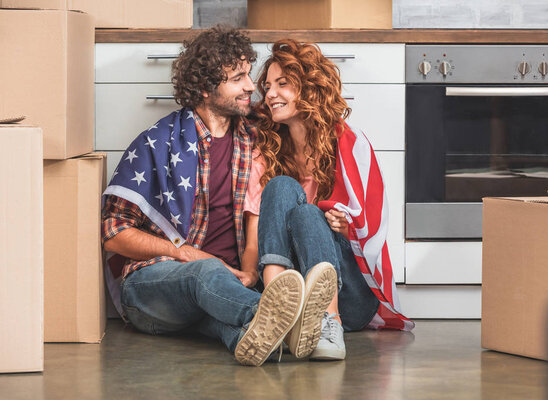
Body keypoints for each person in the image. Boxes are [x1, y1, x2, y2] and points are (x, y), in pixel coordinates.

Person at [101, 27, 315, 367]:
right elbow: (113, 234)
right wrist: (181, 252)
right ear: (205, 89)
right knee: (205, 271)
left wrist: (248, 272)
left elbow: (310, 118)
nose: (251, 86)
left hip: (226, 291)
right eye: (238, 78)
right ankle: (287, 321)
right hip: (155, 287)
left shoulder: (257, 136)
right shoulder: (156, 143)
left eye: (249, 74)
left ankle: (257, 334)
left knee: (224, 320)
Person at [244, 39, 416, 361]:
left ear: (309, 88)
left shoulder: (349, 145)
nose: (269, 95)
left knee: (308, 216)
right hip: (296, 290)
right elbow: (256, 227)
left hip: (350, 297)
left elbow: (370, 232)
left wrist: (345, 225)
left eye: (283, 84)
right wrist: (248, 274)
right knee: (281, 186)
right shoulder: (266, 151)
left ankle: (329, 323)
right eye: (267, 86)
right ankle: (278, 307)